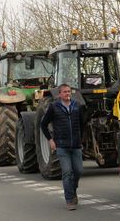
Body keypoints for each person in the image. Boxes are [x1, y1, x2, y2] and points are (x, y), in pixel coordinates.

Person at [40, 83, 83, 211]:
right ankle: (69, 200)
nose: (67, 94)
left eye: (69, 91)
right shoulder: (54, 107)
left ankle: (73, 189)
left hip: (76, 145)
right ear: (60, 94)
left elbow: (82, 124)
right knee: (67, 172)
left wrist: (82, 140)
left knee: (78, 171)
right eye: (64, 92)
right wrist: (50, 140)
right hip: (62, 146)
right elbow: (43, 124)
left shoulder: (76, 106)